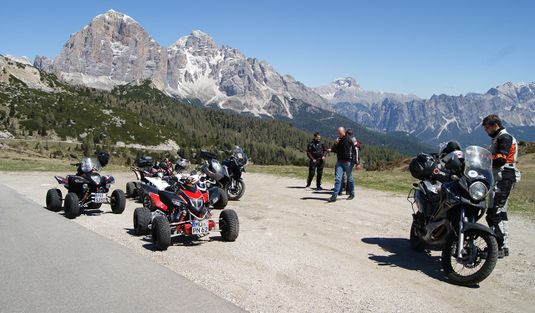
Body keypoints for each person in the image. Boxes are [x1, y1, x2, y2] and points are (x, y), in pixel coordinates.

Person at [482, 114, 519, 258]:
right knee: (501, 213)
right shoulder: (499, 138)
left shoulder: (504, 138)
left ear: (494, 125)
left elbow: (500, 159)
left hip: (503, 176)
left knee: (493, 213)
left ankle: (496, 246)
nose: (486, 131)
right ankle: (504, 246)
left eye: (487, 128)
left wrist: (485, 159)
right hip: (505, 176)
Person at [328, 127, 355, 202]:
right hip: (339, 161)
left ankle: (352, 193)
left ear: (344, 132)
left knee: (349, 178)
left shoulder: (349, 140)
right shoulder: (338, 140)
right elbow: (334, 149)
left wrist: (354, 161)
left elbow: (354, 150)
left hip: (347, 162)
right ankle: (334, 195)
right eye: (338, 133)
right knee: (338, 178)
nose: (338, 134)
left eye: (340, 133)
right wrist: (335, 144)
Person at [339, 128, 361, 195]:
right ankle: (347, 190)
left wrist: (357, 162)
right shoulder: (354, 141)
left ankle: (342, 190)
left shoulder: (351, 141)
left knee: (344, 174)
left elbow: (356, 152)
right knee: (348, 174)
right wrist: (357, 162)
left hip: (349, 160)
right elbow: (357, 152)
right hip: (350, 160)